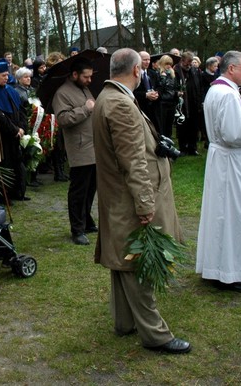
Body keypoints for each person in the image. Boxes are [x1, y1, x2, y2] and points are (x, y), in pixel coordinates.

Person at [92, 49, 190, 354]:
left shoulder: (110, 97)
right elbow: (133, 161)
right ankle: (155, 334)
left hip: (120, 195)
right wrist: (145, 204)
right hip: (129, 197)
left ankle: (125, 321)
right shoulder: (120, 103)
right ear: (136, 70)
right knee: (137, 261)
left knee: (124, 258)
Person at [196, 51, 241, 293]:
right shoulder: (226, 94)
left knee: (221, 214)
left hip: (224, 160)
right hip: (231, 162)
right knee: (234, 215)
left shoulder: (218, 90)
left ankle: (216, 267)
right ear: (231, 69)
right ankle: (230, 272)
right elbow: (233, 134)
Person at [52, 57, 98, 246]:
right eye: (86, 77)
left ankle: (86, 220)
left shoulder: (84, 88)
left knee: (91, 188)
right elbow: (63, 119)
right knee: (79, 191)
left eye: (90, 76)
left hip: (94, 146)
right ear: (74, 74)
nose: (89, 80)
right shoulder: (62, 93)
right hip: (80, 149)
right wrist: (85, 109)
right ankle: (77, 229)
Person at [0, 61, 29, 201]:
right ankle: (7, 194)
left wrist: (22, 128)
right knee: (7, 164)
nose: (6, 78)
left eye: (7, 75)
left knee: (18, 163)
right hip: (5, 135)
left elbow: (21, 110)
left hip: (17, 133)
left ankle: (19, 191)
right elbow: (0, 116)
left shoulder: (10, 90)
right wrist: (14, 130)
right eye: (3, 75)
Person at [132, 51, 160, 134]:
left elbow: (159, 87)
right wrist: (145, 95)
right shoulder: (134, 75)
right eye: (145, 60)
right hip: (141, 108)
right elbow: (132, 91)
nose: (147, 62)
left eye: (149, 59)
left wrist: (156, 93)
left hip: (154, 109)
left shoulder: (153, 74)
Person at [154, 55, 178, 140]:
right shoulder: (158, 74)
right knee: (162, 125)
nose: (169, 66)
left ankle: (169, 141)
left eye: (170, 64)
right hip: (162, 102)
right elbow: (159, 88)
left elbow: (174, 87)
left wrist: (177, 94)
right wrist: (163, 78)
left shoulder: (172, 74)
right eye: (167, 64)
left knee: (169, 125)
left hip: (171, 102)